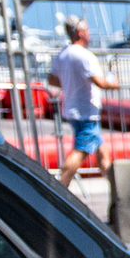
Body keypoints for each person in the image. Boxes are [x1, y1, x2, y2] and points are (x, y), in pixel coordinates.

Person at [45, 16, 119, 188]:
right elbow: (100, 82)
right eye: (87, 30)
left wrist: (71, 83)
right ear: (80, 33)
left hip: (72, 108)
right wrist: (114, 83)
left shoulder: (62, 55)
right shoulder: (85, 56)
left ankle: (115, 187)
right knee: (81, 151)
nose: (89, 33)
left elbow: (52, 79)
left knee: (101, 151)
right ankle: (60, 188)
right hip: (86, 111)